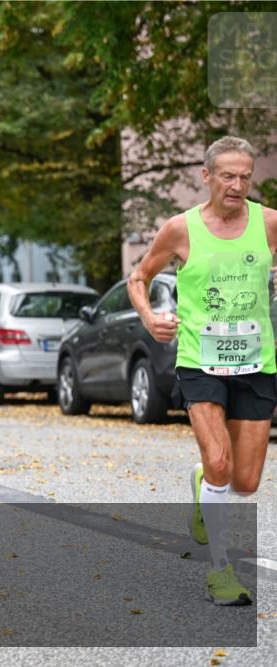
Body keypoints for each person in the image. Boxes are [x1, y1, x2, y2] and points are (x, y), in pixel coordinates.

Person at [128, 136, 277, 606]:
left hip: (257, 363)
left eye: (245, 177)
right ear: (206, 176)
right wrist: (150, 318)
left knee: (245, 482)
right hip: (200, 361)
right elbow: (139, 277)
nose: (237, 185)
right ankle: (221, 572)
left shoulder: (269, 223)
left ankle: (203, 482)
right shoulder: (181, 229)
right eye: (227, 176)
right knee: (220, 463)